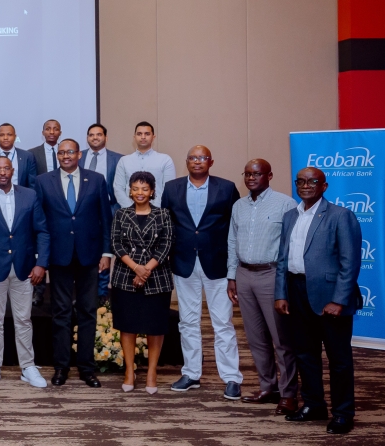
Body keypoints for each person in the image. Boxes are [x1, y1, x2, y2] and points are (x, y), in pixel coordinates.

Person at [275, 167, 361, 435]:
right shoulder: (290, 216)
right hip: (296, 292)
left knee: (339, 359)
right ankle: (314, 405)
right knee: (305, 355)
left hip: (330, 297)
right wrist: (281, 293)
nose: (306, 185)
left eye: (312, 181)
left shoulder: (340, 215)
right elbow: (282, 260)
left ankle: (343, 413)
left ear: (324, 186)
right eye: (300, 181)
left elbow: (350, 262)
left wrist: (339, 299)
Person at [161, 145, 243, 398]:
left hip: (217, 264)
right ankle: (191, 374)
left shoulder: (227, 188)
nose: (197, 162)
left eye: (202, 158)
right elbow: (166, 224)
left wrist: (234, 268)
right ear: (186, 162)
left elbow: (236, 225)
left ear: (211, 161)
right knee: (188, 322)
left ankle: (231, 378)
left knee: (222, 323)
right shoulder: (172, 188)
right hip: (184, 263)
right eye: (193, 158)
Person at [34, 139, 111, 387]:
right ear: (57, 156)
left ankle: (87, 368)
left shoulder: (96, 179)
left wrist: (106, 254)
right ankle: (61, 367)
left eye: (70, 152)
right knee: (61, 313)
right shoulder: (43, 181)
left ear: (79, 154)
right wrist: (41, 257)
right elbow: (40, 222)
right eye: (61, 152)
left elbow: (105, 219)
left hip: (90, 256)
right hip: (59, 256)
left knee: (88, 312)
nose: (66, 156)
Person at [227, 159, 300, 414]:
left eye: (256, 174)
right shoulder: (239, 206)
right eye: (247, 174)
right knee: (256, 338)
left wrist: (284, 281)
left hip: (272, 275)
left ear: (269, 175)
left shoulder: (285, 204)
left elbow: (292, 246)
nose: (251, 178)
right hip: (244, 275)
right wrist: (231, 276)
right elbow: (232, 240)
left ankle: (289, 393)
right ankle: (268, 387)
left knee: (282, 340)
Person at [0, 156, 49, 390]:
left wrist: (41, 264)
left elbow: (42, 231)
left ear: (13, 171)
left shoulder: (29, 195)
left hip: (24, 268)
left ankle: (28, 367)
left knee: (23, 319)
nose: (2, 172)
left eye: (6, 168)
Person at [110, 171, 173, 395]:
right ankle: (129, 371)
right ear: (130, 190)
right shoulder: (120, 214)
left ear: (153, 191)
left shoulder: (163, 214)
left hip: (157, 278)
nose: (140, 193)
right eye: (136, 188)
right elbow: (116, 244)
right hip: (125, 276)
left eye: (145, 189)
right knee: (128, 326)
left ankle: (152, 372)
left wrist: (146, 270)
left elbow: (166, 245)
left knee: (155, 327)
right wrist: (136, 267)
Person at [82, 123, 122, 299]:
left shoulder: (118, 159)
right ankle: (86, 296)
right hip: (82, 216)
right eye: (91, 135)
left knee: (105, 254)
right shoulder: (78, 157)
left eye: (99, 134)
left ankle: (102, 299)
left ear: (105, 137)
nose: (95, 137)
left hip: (108, 213)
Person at [113, 121, 176, 214]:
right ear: (134, 137)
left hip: (158, 213)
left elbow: (169, 189)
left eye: (147, 134)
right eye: (139, 134)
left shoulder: (165, 160)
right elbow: (118, 188)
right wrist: (131, 209)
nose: (143, 137)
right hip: (129, 213)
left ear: (153, 137)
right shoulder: (124, 161)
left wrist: (154, 209)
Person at [0, 123, 38, 189]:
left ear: (15, 137)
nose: (5, 138)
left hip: (20, 196)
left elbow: (32, 184)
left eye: (9, 135)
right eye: (2, 135)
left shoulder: (27, 156)